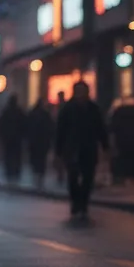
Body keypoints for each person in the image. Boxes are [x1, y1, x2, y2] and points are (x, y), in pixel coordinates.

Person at [54, 81, 107, 219]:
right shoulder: (67, 109)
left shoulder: (93, 108)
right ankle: (76, 202)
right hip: (72, 148)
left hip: (88, 148)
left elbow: (100, 128)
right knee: (73, 177)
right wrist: (58, 151)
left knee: (88, 177)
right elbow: (60, 130)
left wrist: (105, 145)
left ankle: (83, 203)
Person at [26, 98, 54, 190]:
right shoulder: (45, 115)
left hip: (35, 142)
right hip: (42, 142)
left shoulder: (32, 114)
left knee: (35, 159)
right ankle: (40, 176)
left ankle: (36, 175)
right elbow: (50, 128)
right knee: (41, 160)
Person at [0, 95, 26, 182]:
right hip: (16, 138)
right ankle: (16, 171)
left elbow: (0, 125)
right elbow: (24, 124)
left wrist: (2, 135)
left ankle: (9, 171)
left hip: (9, 139)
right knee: (16, 155)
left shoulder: (6, 112)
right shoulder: (19, 112)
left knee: (8, 155)